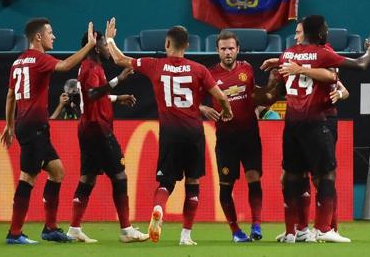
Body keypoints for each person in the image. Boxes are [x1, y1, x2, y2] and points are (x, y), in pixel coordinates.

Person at [104, 19, 233, 246]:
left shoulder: (155, 65)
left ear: (167, 43)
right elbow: (221, 96)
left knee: (165, 183)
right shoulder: (199, 69)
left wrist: (111, 39)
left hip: (169, 133)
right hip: (193, 132)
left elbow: (118, 59)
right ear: (187, 46)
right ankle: (186, 236)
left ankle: (157, 208)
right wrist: (227, 110)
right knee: (193, 182)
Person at [261, 15, 370, 243]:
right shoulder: (323, 53)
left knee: (293, 176)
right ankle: (323, 228)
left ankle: (296, 231)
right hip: (316, 121)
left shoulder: (287, 54)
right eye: (326, 29)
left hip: (292, 123)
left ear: (305, 32)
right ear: (320, 32)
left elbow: (334, 84)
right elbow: (360, 65)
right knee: (325, 175)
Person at [0, 18, 97, 244]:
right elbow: (64, 66)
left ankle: (50, 229)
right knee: (28, 177)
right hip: (34, 127)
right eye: (50, 33)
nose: (53, 37)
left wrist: (9, 124)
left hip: (31, 125)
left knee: (57, 171)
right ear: (38, 37)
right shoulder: (39, 59)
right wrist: (89, 45)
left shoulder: (18, 63)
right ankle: (14, 233)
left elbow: (10, 96)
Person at [66, 31, 149, 244]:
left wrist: (115, 98)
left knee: (88, 178)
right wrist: (118, 80)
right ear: (95, 47)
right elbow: (92, 94)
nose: (106, 49)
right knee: (119, 176)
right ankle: (126, 229)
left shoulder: (88, 66)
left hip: (86, 128)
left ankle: (74, 228)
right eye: (104, 44)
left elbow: (89, 96)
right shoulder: (92, 67)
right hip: (99, 129)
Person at [199, 30, 266, 243]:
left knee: (254, 178)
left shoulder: (247, 69)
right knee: (226, 186)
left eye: (231, 48)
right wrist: (203, 109)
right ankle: (236, 231)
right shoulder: (209, 75)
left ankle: (256, 224)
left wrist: (263, 105)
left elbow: (254, 95)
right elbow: (195, 101)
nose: (227, 52)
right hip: (226, 140)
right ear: (217, 51)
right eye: (223, 49)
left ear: (237, 49)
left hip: (250, 136)